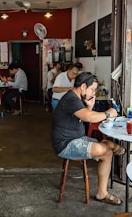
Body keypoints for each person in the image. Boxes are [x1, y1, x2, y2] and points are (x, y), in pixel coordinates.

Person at [52, 72, 124, 205]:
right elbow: (89, 117)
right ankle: (113, 146)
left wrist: (89, 106)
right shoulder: (71, 99)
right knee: (101, 147)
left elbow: (85, 115)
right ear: (84, 86)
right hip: (66, 144)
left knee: (107, 153)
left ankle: (102, 193)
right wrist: (108, 113)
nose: (93, 93)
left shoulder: (77, 98)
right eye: (92, 89)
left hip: (79, 139)